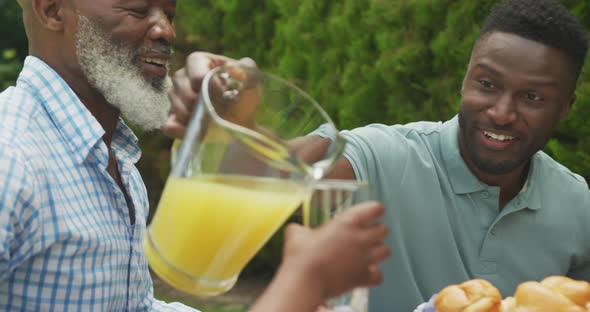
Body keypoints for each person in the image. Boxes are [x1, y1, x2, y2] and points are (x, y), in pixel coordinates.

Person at [165, 0, 590, 311]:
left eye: (532, 96)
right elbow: (272, 170)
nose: (501, 111)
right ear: (465, 79)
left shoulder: (577, 206)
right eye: (487, 84)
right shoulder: (385, 154)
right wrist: (231, 119)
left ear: (565, 106)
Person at [0, 0, 389, 311]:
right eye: (138, 10)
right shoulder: (12, 156)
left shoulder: (112, 154)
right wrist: (303, 282)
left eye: (170, 14)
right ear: (52, 10)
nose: (165, 31)